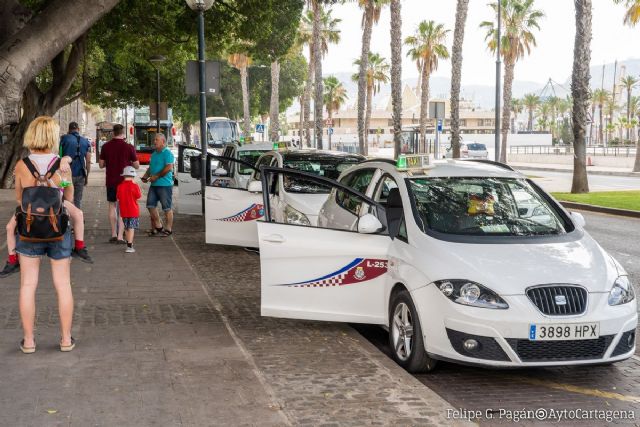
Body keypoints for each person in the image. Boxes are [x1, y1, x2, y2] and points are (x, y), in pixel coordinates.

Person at [13, 116, 76, 353]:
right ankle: (66, 339)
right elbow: (68, 197)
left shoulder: (21, 165)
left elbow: (19, 199)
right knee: (62, 284)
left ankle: (29, 341)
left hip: (28, 229)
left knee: (28, 284)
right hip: (58, 229)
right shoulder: (62, 165)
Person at [99, 124, 139, 243]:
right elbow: (137, 165)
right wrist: (128, 162)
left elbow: (101, 164)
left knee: (112, 206)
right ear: (123, 133)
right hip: (125, 182)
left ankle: (113, 234)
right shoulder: (129, 147)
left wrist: (110, 162)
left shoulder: (106, 146)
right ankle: (121, 236)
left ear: (113, 133)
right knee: (123, 208)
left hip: (111, 180)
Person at [142, 133, 174, 236]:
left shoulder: (167, 153)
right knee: (150, 205)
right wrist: (145, 176)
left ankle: (168, 229)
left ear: (163, 142)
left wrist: (157, 176)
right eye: (154, 139)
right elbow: (150, 168)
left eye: (156, 140)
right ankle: (158, 226)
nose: (154, 141)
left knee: (166, 208)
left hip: (165, 185)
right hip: (154, 185)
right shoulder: (154, 154)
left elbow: (169, 167)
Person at [59, 121, 91, 209]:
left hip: (65, 174)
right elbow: (88, 161)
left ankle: (66, 218)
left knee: (65, 198)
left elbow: (59, 156)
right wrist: (87, 176)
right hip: (80, 174)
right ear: (78, 129)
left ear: (68, 130)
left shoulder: (63, 139)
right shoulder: (86, 141)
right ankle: (78, 218)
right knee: (78, 199)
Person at [116, 166, 141, 253]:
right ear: (133, 176)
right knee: (131, 228)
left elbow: (118, 197)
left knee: (126, 228)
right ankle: (130, 246)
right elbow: (138, 196)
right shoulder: (135, 186)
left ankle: (128, 243)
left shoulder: (120, 186)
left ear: (123, 176)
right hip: (133, 211)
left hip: (124, 211)